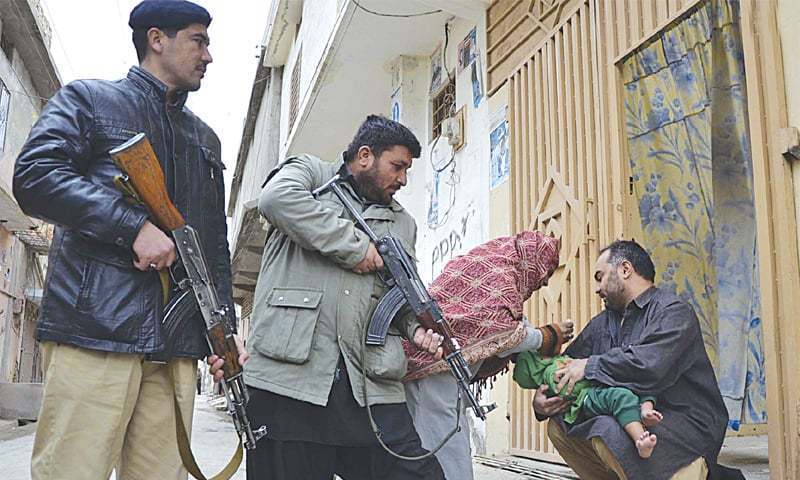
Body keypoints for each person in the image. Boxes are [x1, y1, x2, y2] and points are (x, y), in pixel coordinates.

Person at [13, 1, 246, 478]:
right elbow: (34, 175)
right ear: (157, 39)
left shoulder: (206, 140)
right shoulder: (90, 101)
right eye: (198, 41)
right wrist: (131, 227)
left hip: (176, 343)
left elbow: (212, 249)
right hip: (95, 328)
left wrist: (223, 335)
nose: (209, 56)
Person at [242, 115, 446, 479]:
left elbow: (396, 294)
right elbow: (276, 199)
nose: (403, 179)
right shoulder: (310, 174)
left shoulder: (403, 223)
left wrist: (415, 329)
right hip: (291, 378)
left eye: (407, 170)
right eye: (397, 166)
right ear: (365, 155)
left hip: (368, 384)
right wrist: (356, 248)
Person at [533, 240, 732, 480]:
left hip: (685, 420)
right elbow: (566, 365)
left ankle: (693, 468)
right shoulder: (602, 323)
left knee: (607, 429)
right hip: (631, 417)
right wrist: (543, 399)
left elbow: (651, 366)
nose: (597, 288)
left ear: (625, 269)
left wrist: (589, 366)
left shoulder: (674, 312)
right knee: (560, 426)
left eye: (600, 276)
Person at [402, 230, 573, 480]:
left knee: (425, 445)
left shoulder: (489, 264)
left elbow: (501, 327)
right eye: (544, 274)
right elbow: (505, 335)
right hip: (437, 369)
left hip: (422, 364)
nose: (543, 283)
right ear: (531, 261)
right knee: (448, 448)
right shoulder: (500, 276)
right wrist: (547, 337)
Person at [514, 350, 663, 458]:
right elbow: (567, 388)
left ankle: (645, 411)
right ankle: (640, 440)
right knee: (621, 397)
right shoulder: (552, 373)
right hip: (589, 394)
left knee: (643, 386)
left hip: (612, 380)